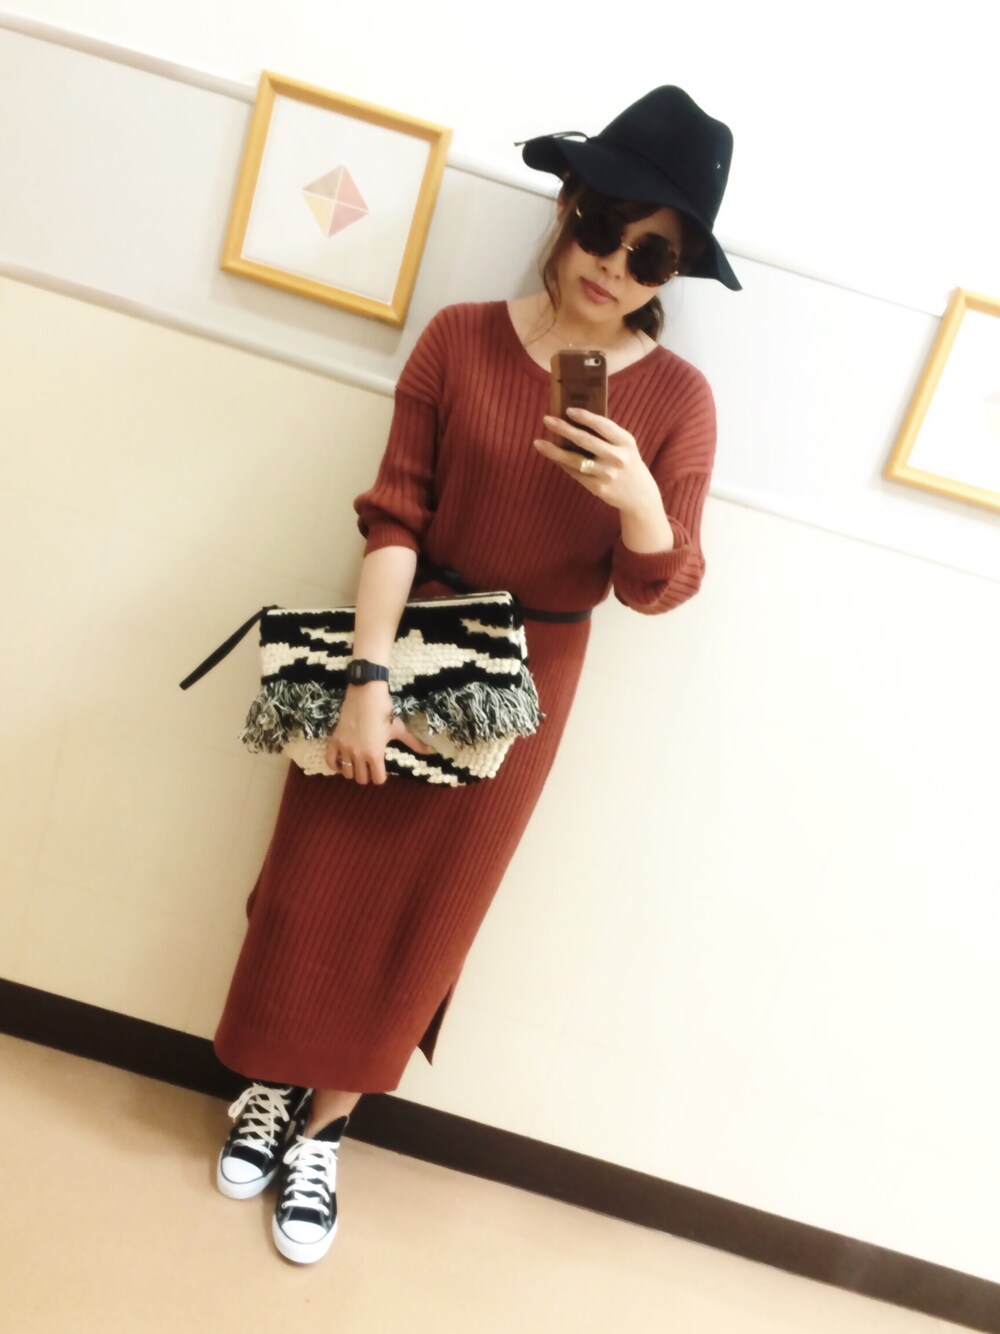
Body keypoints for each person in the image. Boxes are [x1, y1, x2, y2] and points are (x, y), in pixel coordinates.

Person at [213, 85, 740, 1265]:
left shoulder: (677, 402)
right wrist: (364, 679)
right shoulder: (459, 336)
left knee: (423, 912)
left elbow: (661, 585)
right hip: (401, 629)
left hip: (529, 677)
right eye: (600, 225)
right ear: (566, 206)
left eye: (649, 254)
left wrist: (639, 501)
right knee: (310, 878)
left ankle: (325, 1127)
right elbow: (395, 513)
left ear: (675, 272)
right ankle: (269, 1085)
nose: (611, 265)